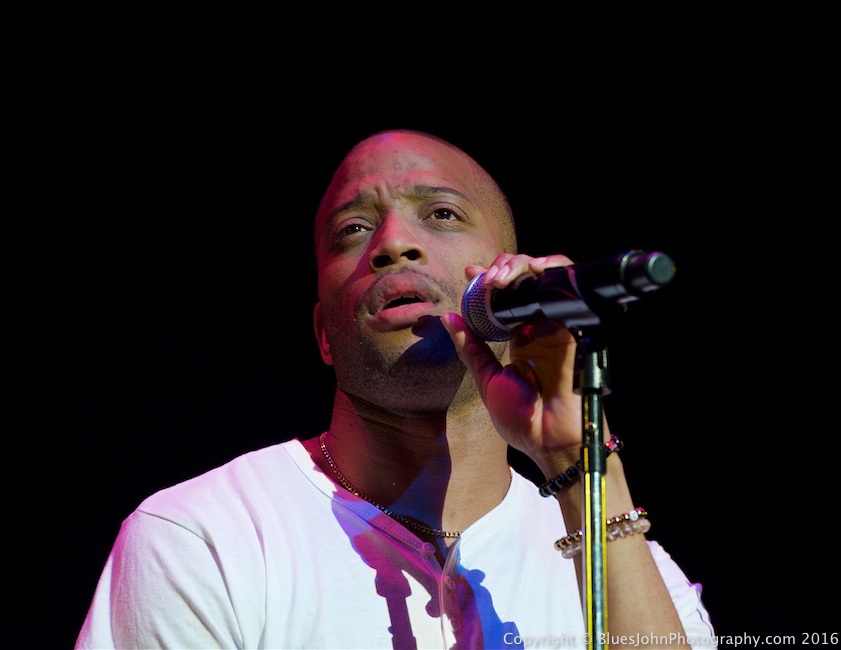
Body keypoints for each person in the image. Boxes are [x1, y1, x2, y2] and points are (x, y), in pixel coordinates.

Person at [76, 129, 715, 649]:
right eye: (354, 230)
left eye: (441, 214)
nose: (394, 244)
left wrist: (582, 465)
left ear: (509, 287)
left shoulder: (634, 567)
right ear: (324, 333)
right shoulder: (203, 538)